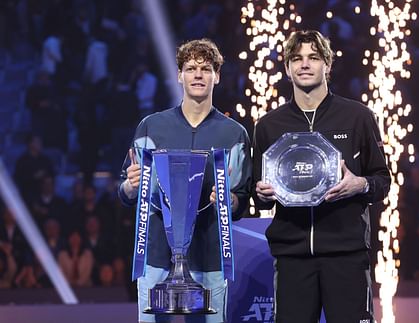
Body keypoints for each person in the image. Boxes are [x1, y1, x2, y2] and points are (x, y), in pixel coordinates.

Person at [252, 30, 390, 323]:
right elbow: (259, 194)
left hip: (346, 255)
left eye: (313, 57)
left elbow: (382, 181)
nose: (305, 64)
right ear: (287, 67)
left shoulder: (358, 117)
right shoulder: (268, 126)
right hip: (292, 258)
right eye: (297, 58)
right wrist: (261, 194)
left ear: (327, 65)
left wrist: (359, 184)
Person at [118, 38, 251, 323]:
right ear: (179, 75)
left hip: (211, 257)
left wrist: (230, 199)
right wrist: (131, 184)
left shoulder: (234, 134)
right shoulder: (151, 126)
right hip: (155, 257)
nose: (198, 75)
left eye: (206, 68)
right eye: (191, 68)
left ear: (217, 75)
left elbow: (241, 201)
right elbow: (126, 192)